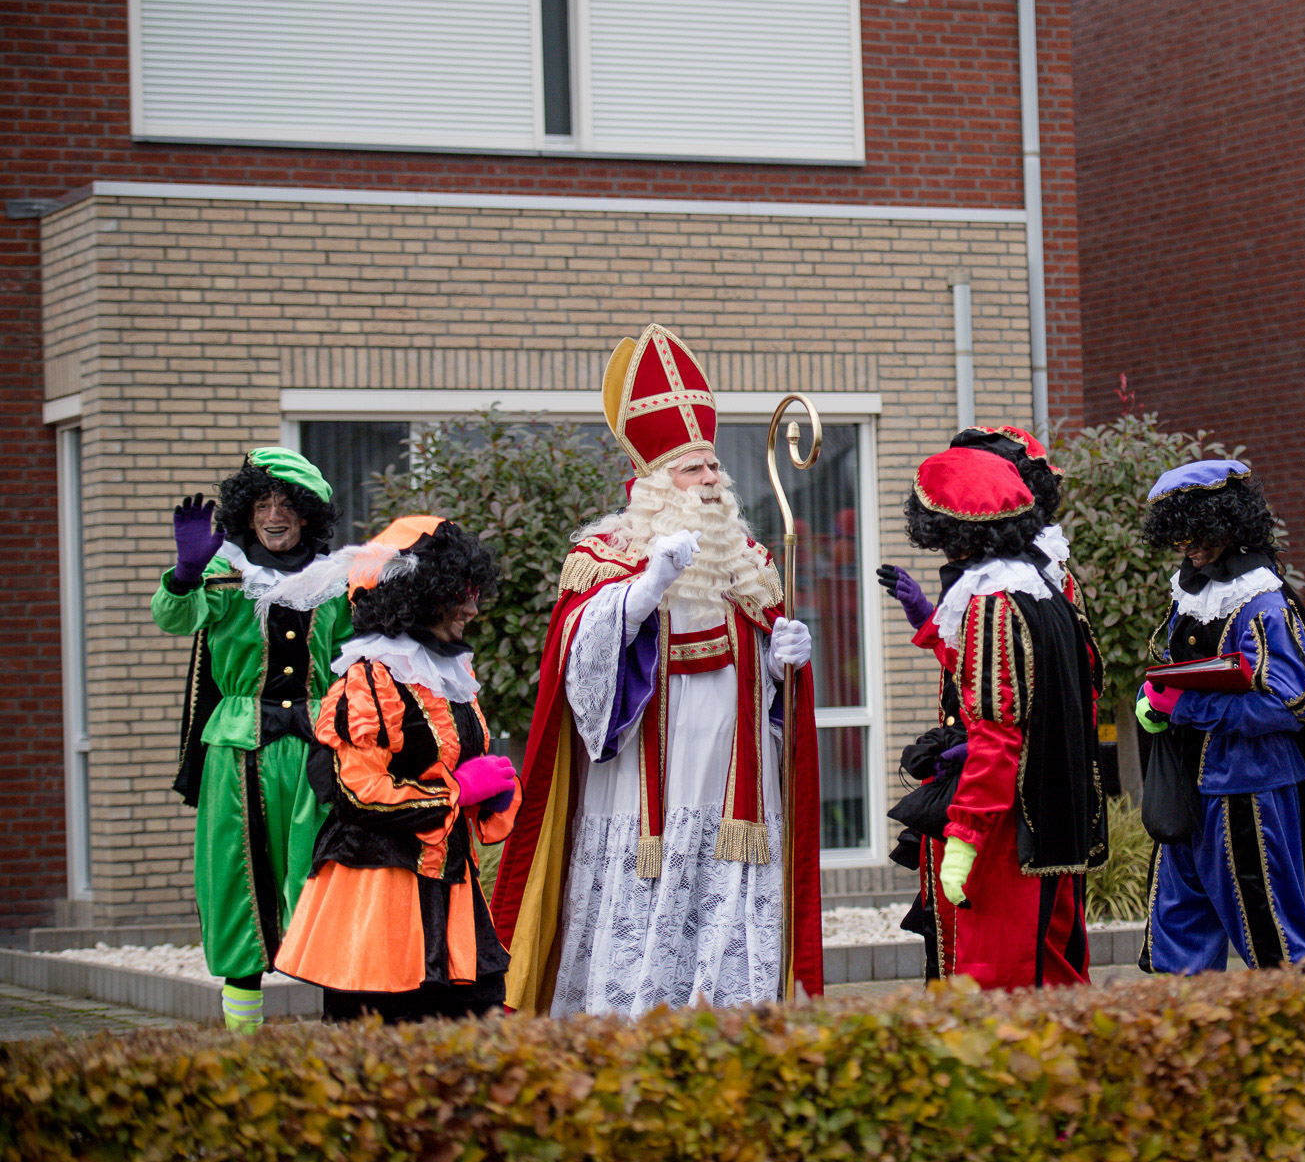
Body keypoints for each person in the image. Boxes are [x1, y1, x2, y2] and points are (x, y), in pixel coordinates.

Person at [490, 324, 823, 1012]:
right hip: (646, 772)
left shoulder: (748, 559)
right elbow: (580, 671)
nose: (711, 480)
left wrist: (783, 663)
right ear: (653, 483)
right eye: (692, 469)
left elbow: (768, 678)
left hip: (734, 774)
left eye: (713, 467)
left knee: (727, 898)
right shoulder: (605, 553)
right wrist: (643, 591)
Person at [273, 516, 521, 1022]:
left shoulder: (452, 677)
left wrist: (493, 793)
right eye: (459, 594)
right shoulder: (369, 680)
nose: (472, 608)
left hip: (450, 887)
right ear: (419, 595)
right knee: (385, 1036)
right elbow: (357, 794)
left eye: (474, 593)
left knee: (474, 1029)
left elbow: (458, 766)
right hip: (380, 896)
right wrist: (457, 792)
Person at [1134, 460, 1305, 974]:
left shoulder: (1262, 602)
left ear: (1225, 523)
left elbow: (1294, 702)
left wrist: (1187, 706)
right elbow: (1173, 668)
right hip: (1189, 788)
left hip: (1249, 790)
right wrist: (1151, 697)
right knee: (1178, 931)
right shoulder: (1189, 595)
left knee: (1274, 936)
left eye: (1194, 533)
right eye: (1178, 537)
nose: (1186, 547)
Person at [151, 447, 355, 1032]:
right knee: (239, 879)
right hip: (239, 748)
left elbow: (356, 658)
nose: (273, 515)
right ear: (247, 512)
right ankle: (244, 1045)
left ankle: (343, 1037)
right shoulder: (225, 575)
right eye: (262, 504)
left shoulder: (336, 582)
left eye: (286, 504)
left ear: (308, 514)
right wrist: (185, 575)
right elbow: (173, 618)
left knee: (324, 877)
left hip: (320, 750)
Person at [876, 425, 1087, 982]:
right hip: (1047, 811)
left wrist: (966, 837)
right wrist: (926, 616)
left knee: (998, 974)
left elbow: (999, 731)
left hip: (1004, 817)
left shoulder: (995, 601)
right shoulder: (1035, 587)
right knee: (1049, 969)